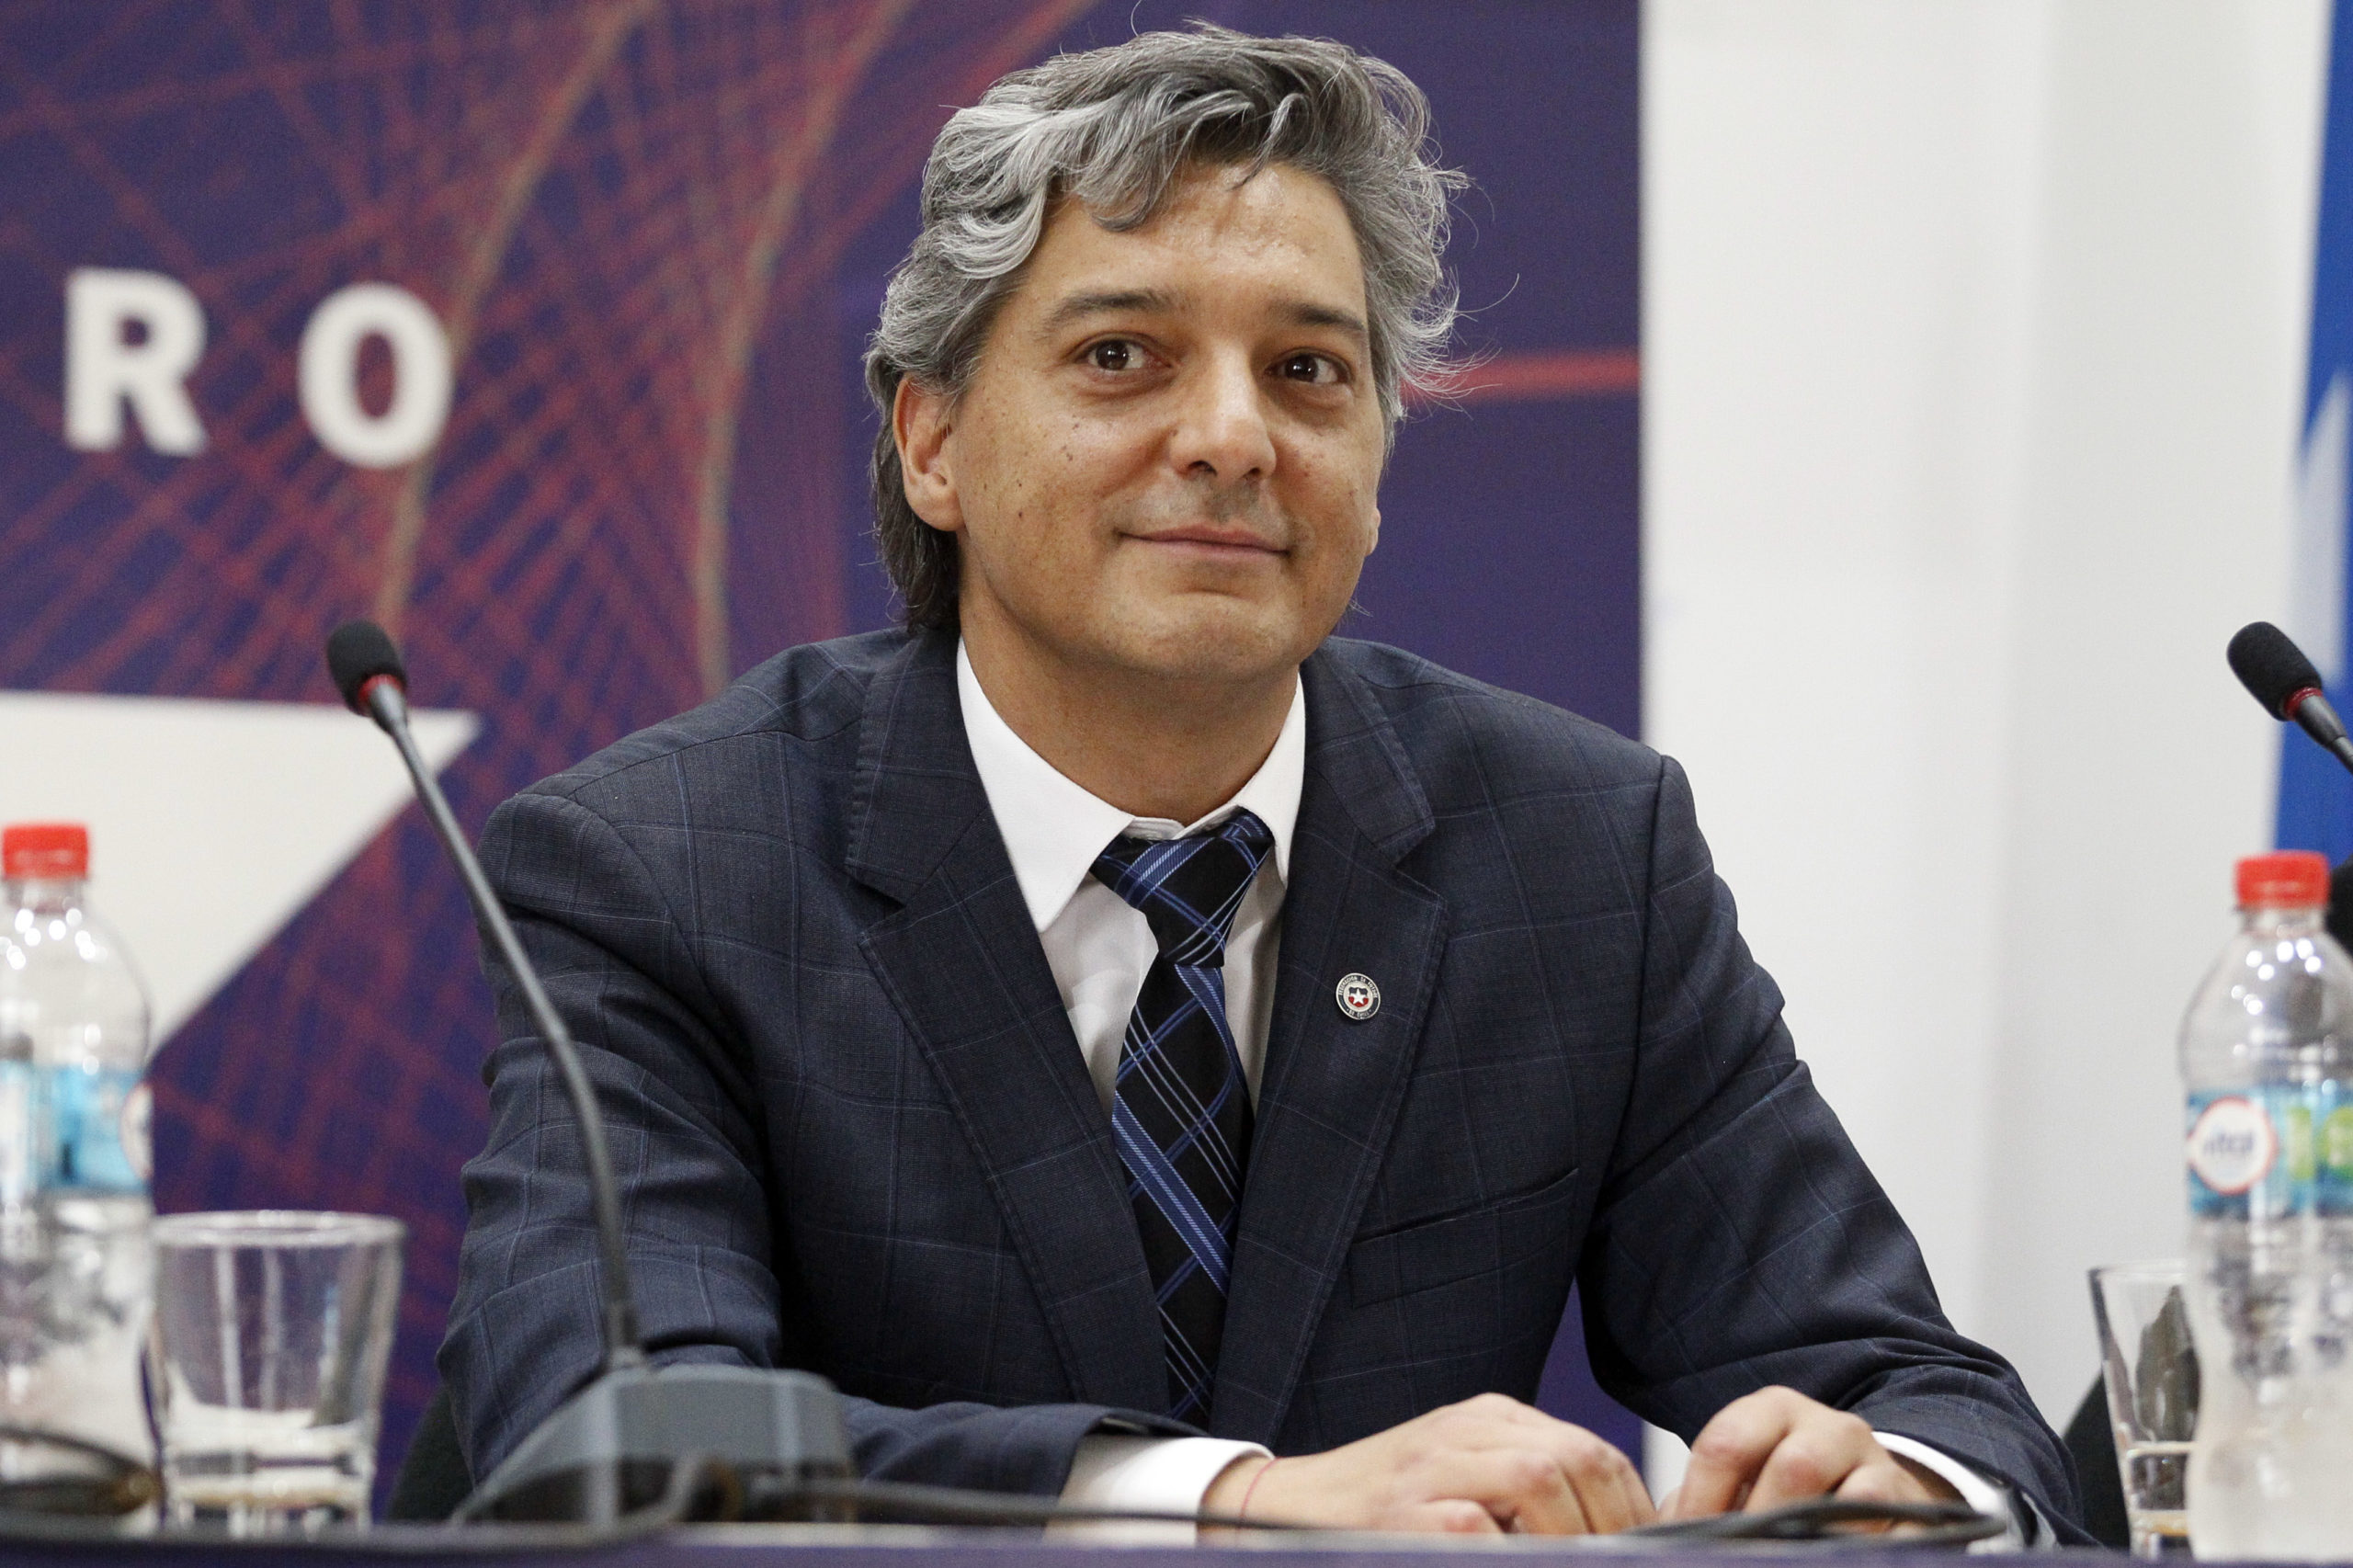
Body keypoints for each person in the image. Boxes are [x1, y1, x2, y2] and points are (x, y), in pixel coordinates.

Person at [442, 24, 2082, 1540]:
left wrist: (1899, 1488)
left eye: (1308, 371)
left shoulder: (1581, 851)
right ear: (931, 441)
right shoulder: (666, 864)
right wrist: (1227, 1502)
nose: (1233, 436)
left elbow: (1933, 1400)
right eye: (1121, 355)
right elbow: (609, 1434)